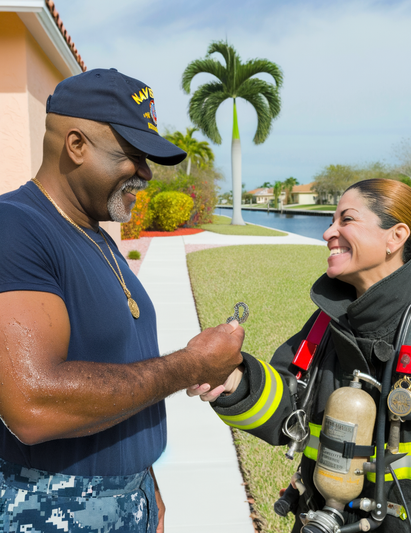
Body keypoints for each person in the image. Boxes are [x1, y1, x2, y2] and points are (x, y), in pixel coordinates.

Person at [189, 179, 411, 532]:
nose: (327, 232)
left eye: (346, 220)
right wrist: (232, 380)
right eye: (331, 221)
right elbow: (289, 407)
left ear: (395, 236)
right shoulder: (327, 322)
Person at [0, 68, 244, 533]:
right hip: (52, 507)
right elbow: (33, 403)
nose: (146, 174)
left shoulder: (96, 235)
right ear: (76, 145)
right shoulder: (15, 227)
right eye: (133, 156)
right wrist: (190, 366)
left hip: (128, 499)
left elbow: (119, 364)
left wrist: (144, 479)